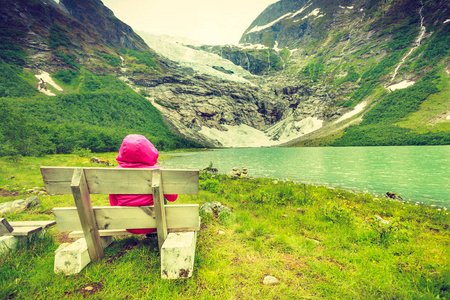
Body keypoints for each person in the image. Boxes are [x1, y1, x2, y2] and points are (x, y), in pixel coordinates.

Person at [109, 134, 177, 234]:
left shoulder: (113, 173)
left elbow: (113, 201)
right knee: (160, 193)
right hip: (155, 223)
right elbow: (173, 198)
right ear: (148, 150)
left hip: (128, 224)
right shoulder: (158, 171)